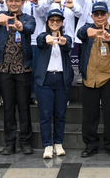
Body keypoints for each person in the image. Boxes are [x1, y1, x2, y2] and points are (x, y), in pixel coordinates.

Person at [0, 0, 36, 155]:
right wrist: (0, 17)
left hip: (23, 68)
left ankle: (25, 142)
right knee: (8, 107)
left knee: (24, 107)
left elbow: (30, 28)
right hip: (4, 69)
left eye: (17, 0)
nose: (14, 3)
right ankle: (9, 143)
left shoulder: (28, 18)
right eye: (11, 0)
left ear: (22, 3)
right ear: (6, 2)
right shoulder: (2, 16)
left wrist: (21, 27)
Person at [77, 1, 110, 158]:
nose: (100, 17)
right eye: (96, 14)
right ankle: (90, 145)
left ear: (108, 15)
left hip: (108, 78)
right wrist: (88, 31)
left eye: (102, 14)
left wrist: (109, 38)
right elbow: (80, 33)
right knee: (90, 115)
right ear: (92, 16)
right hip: (90, 78)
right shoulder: (88, 29)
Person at [35, 9, 74, 159]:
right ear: (48, 22)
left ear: (62, 23)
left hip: (61, 79)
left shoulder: (66, 37)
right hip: (45, 79)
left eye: (58, 20)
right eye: (52, 20)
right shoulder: (43, 36)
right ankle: (47, 145)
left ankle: (58, 143)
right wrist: (47, 38)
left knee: (60, 114)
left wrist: (63, 42)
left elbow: (67, 44)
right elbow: (40, 40)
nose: (55, 23)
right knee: (45, 114)